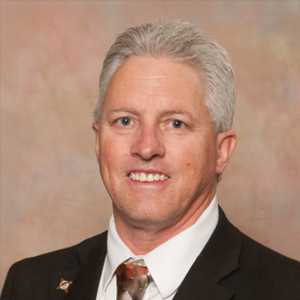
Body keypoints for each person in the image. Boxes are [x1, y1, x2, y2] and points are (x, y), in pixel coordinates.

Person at [2, 20, 300, 300]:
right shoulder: (29, 284)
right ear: (98, 141)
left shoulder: (287, 289)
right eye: (125, 121)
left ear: (221, 151)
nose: (146, 148)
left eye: (176, 124)